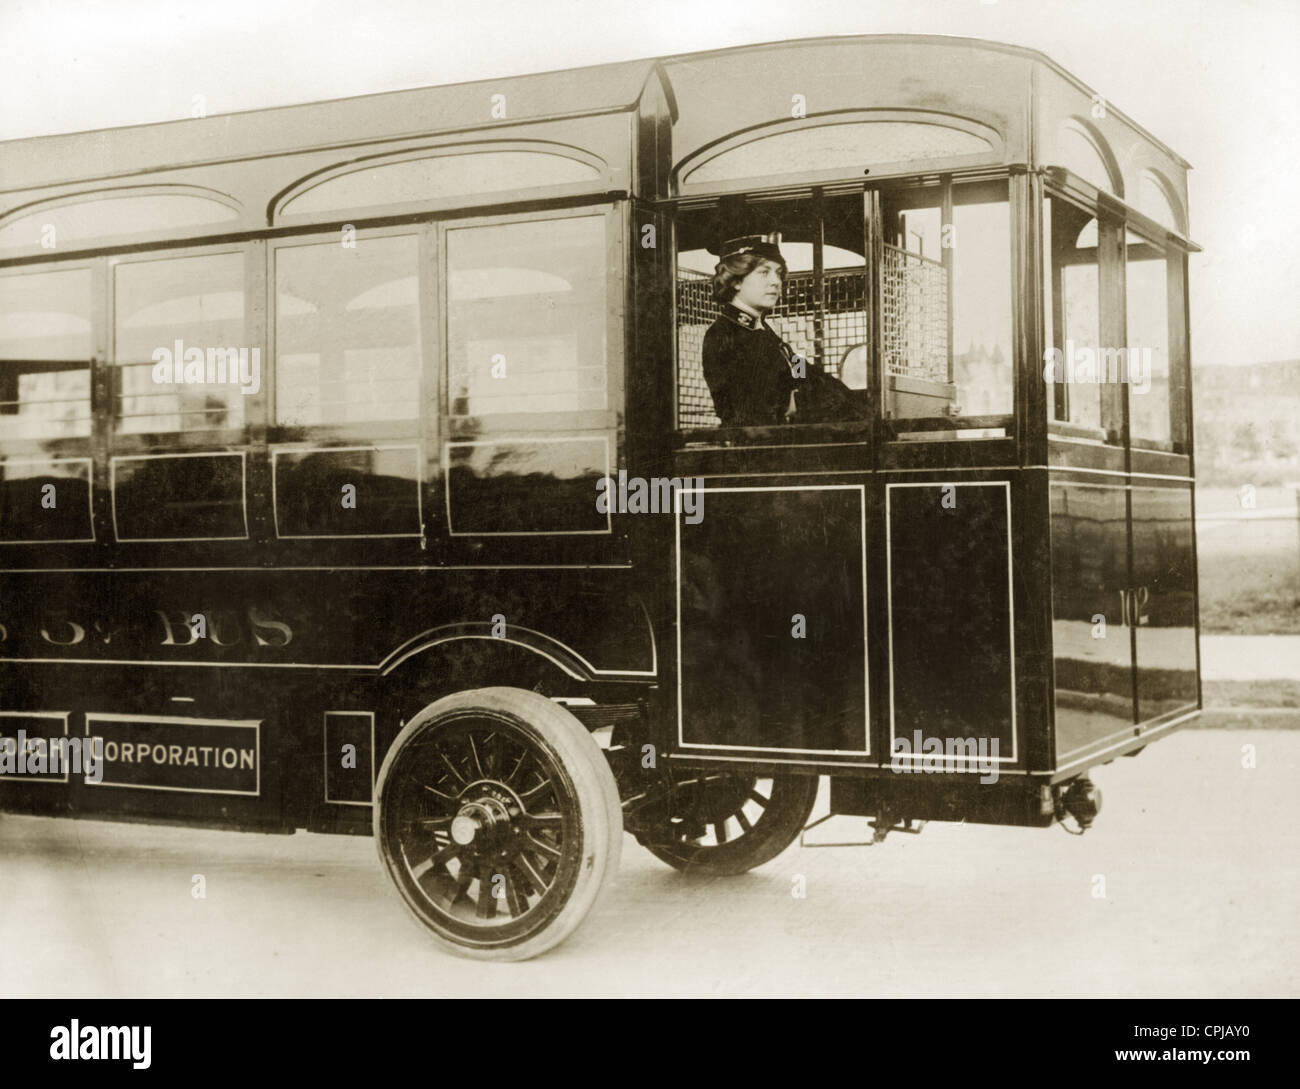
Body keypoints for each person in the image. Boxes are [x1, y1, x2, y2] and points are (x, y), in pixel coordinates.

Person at [701, 235, 854, 428]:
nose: (776, 281)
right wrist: (813, 397)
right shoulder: (726, 335)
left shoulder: (764, 332)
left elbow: (801, 371)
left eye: (778, 273)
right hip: (758, 451)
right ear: (735, 281)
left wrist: (844, 395)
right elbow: (761, 407)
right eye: (764, 273)